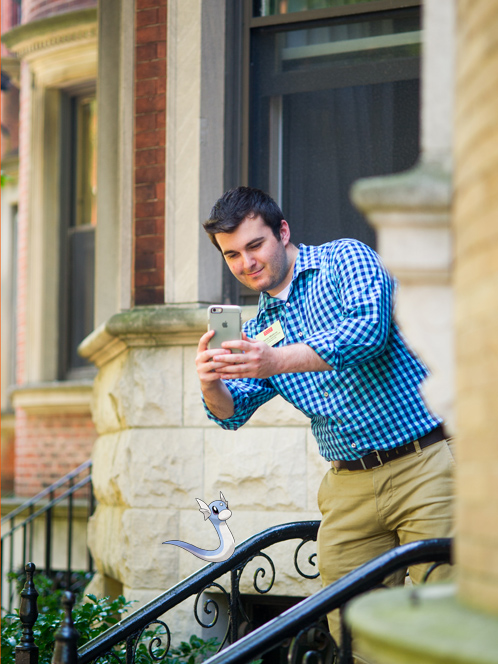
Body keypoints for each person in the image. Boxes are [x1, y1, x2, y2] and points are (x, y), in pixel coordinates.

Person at [195, 186, 454, 641]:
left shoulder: (345, 259)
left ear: (283, 231)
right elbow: (231, 414)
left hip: (425, 463)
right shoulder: (257, 331)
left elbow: (367, 331)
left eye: (255, 245)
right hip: (348, 488)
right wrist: (210, 382)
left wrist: (276, 361)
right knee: (355, 630)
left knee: (451, 611)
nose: (246, 262)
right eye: (232, 255)